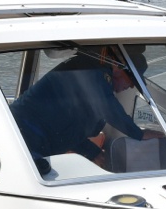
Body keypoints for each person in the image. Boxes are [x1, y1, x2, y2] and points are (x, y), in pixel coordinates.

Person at [10, 46, 146, 169]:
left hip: (38, 138)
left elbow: (68, 130)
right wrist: (141, 134)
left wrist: (93, 152)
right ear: (118, 68)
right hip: (20, 133)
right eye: (132, 80)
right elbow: (107, 108)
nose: (132, 86)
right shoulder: (91, 70)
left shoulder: (92, 82)